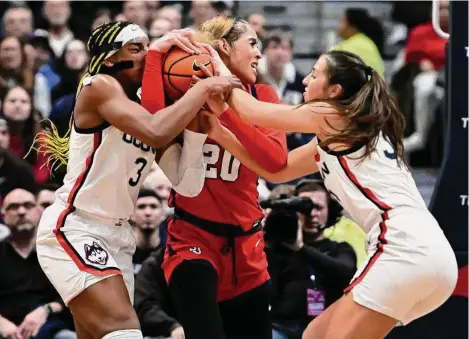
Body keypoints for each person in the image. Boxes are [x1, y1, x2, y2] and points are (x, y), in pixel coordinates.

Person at [202, 49, 458, 339]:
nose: (305, 81)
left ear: (334, 91)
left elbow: (254, 112)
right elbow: (278, 170)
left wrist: (217, 64)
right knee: (315, 334)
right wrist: (222, 135)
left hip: (403, 246)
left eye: (314, 75)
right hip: (430, 255)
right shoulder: (341, 132)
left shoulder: (335, 114)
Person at [34, 22, 239, 339]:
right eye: (136, 48)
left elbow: (187, 184)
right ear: (111, 58)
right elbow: (156, 131)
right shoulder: (98, 86)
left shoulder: (151, 108)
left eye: (149, 46)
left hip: (118, 234)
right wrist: (202, 88)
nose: (147, 55)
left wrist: (197, 132)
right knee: (125, 331)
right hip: (76, 226)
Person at [144, 16, 288, 339]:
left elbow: (276, 161)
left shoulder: (263, 96)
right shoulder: (184, 94)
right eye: (252, 44)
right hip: (192, 241)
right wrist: (155, 56)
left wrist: (224, 117)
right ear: (224, 46)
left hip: (247, 247)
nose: (259, 54)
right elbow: (152, 129)